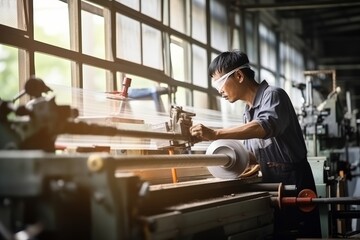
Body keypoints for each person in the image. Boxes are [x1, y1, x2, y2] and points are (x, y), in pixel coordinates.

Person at [190, 50, 322, 239]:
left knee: (301, 234)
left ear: (239, 75)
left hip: (294, 179)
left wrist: (214, 134)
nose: (219, 91)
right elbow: (255, 153)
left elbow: (265, 127)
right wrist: (228, 162)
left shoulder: (274, 95)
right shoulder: (248, 112)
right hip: (271, 181)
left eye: (219, 83)